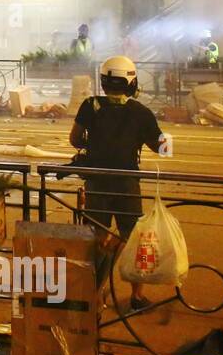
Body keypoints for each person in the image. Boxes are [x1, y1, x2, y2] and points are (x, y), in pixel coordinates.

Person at [68, 56, 166, 309]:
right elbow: (161, 148)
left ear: (104, 81)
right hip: (126, 182)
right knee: (133, 235)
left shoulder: (90, 106)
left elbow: (75, 139)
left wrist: (94, 144)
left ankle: (94, 290)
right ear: (131, 82)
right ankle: (136, 296)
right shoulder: (141, 112)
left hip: (97, 180)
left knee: (97, 235)